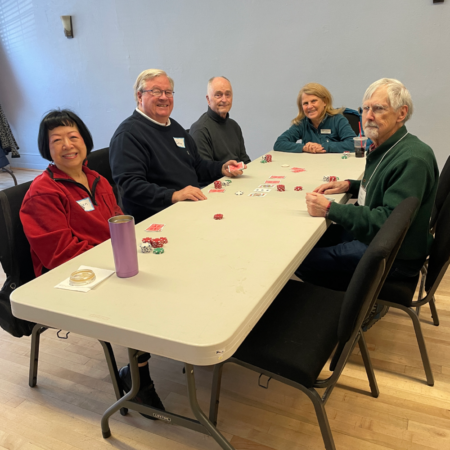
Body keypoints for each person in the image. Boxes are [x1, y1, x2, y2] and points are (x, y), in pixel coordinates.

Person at [20, 110, 164, 419]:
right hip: (68, 278)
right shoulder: (42, 193)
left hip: (106, 264)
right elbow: (60, 257)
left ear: (84, 140)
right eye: (56, 140)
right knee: (140, 298)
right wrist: (115, 260)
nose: (67, 145)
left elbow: (117, 225)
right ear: (47, 148)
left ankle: (145, 359)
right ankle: (139, 381)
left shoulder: (98, 180)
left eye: (74, 137)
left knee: (158, 279)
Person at [296, 79, 438, 303]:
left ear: (401, 114)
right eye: (366, 108)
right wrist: (350, 186)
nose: (368, 116)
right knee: (304, 242)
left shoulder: (412, 159)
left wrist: (330, 208)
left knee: (299, 261)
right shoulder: (389, 146)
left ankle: (342, 314)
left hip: (392, 256)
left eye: (379, 109)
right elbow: (385, 188)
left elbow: (388, 223)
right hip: (379, 240)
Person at [110, 69, 246, 223]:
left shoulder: (173, 127)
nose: (164, 97)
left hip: (191, 207)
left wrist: (221, 168)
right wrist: (174, 195)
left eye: (168, 92)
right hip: (159, 218)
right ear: (140, 96)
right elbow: (131, 187)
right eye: (156, 91)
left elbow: (197, 166)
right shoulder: (128, 135)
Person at [274, 83, 355, 154]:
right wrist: (304, 147)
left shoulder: (338, 120)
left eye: (313, 101)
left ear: (325, 102)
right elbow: (279, 143)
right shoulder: (302, 123)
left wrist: (323, 146)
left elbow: (353, 144)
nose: (309, 106)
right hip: (310, 167)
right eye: (305, 103)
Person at [190, 76, 251, 164]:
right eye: (218, 95)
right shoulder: (200, 129)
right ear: (208, 99)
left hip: (239, 175)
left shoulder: (234, 126)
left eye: (227, 94)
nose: (224, 100)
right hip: (220, 177)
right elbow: (205, 170)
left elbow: (244, 160)